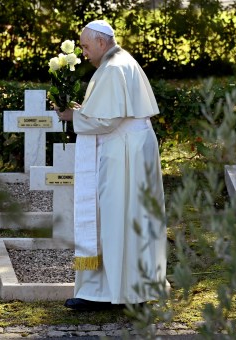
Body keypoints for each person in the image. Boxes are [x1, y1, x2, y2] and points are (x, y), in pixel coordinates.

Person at [56, 20, 168, 311]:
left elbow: (107, 120)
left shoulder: (114, 67)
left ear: (102, 43)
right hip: (128, 147)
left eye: (85, 46)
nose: (83, 52)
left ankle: (117, 292)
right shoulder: (116, 62)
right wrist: (83, 111)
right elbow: (109, 112)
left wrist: (71, 116)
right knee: (124, 218)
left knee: (119, 217)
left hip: (125, 153)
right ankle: (112, 289)